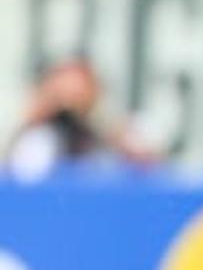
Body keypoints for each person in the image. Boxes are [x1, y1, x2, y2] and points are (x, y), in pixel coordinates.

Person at [4, 58, 156, 181]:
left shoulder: (108, 131)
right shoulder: (39, 136)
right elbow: (15, 174)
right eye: (61, 95)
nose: (69, 105)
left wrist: (102, 122)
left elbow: (150, 167)